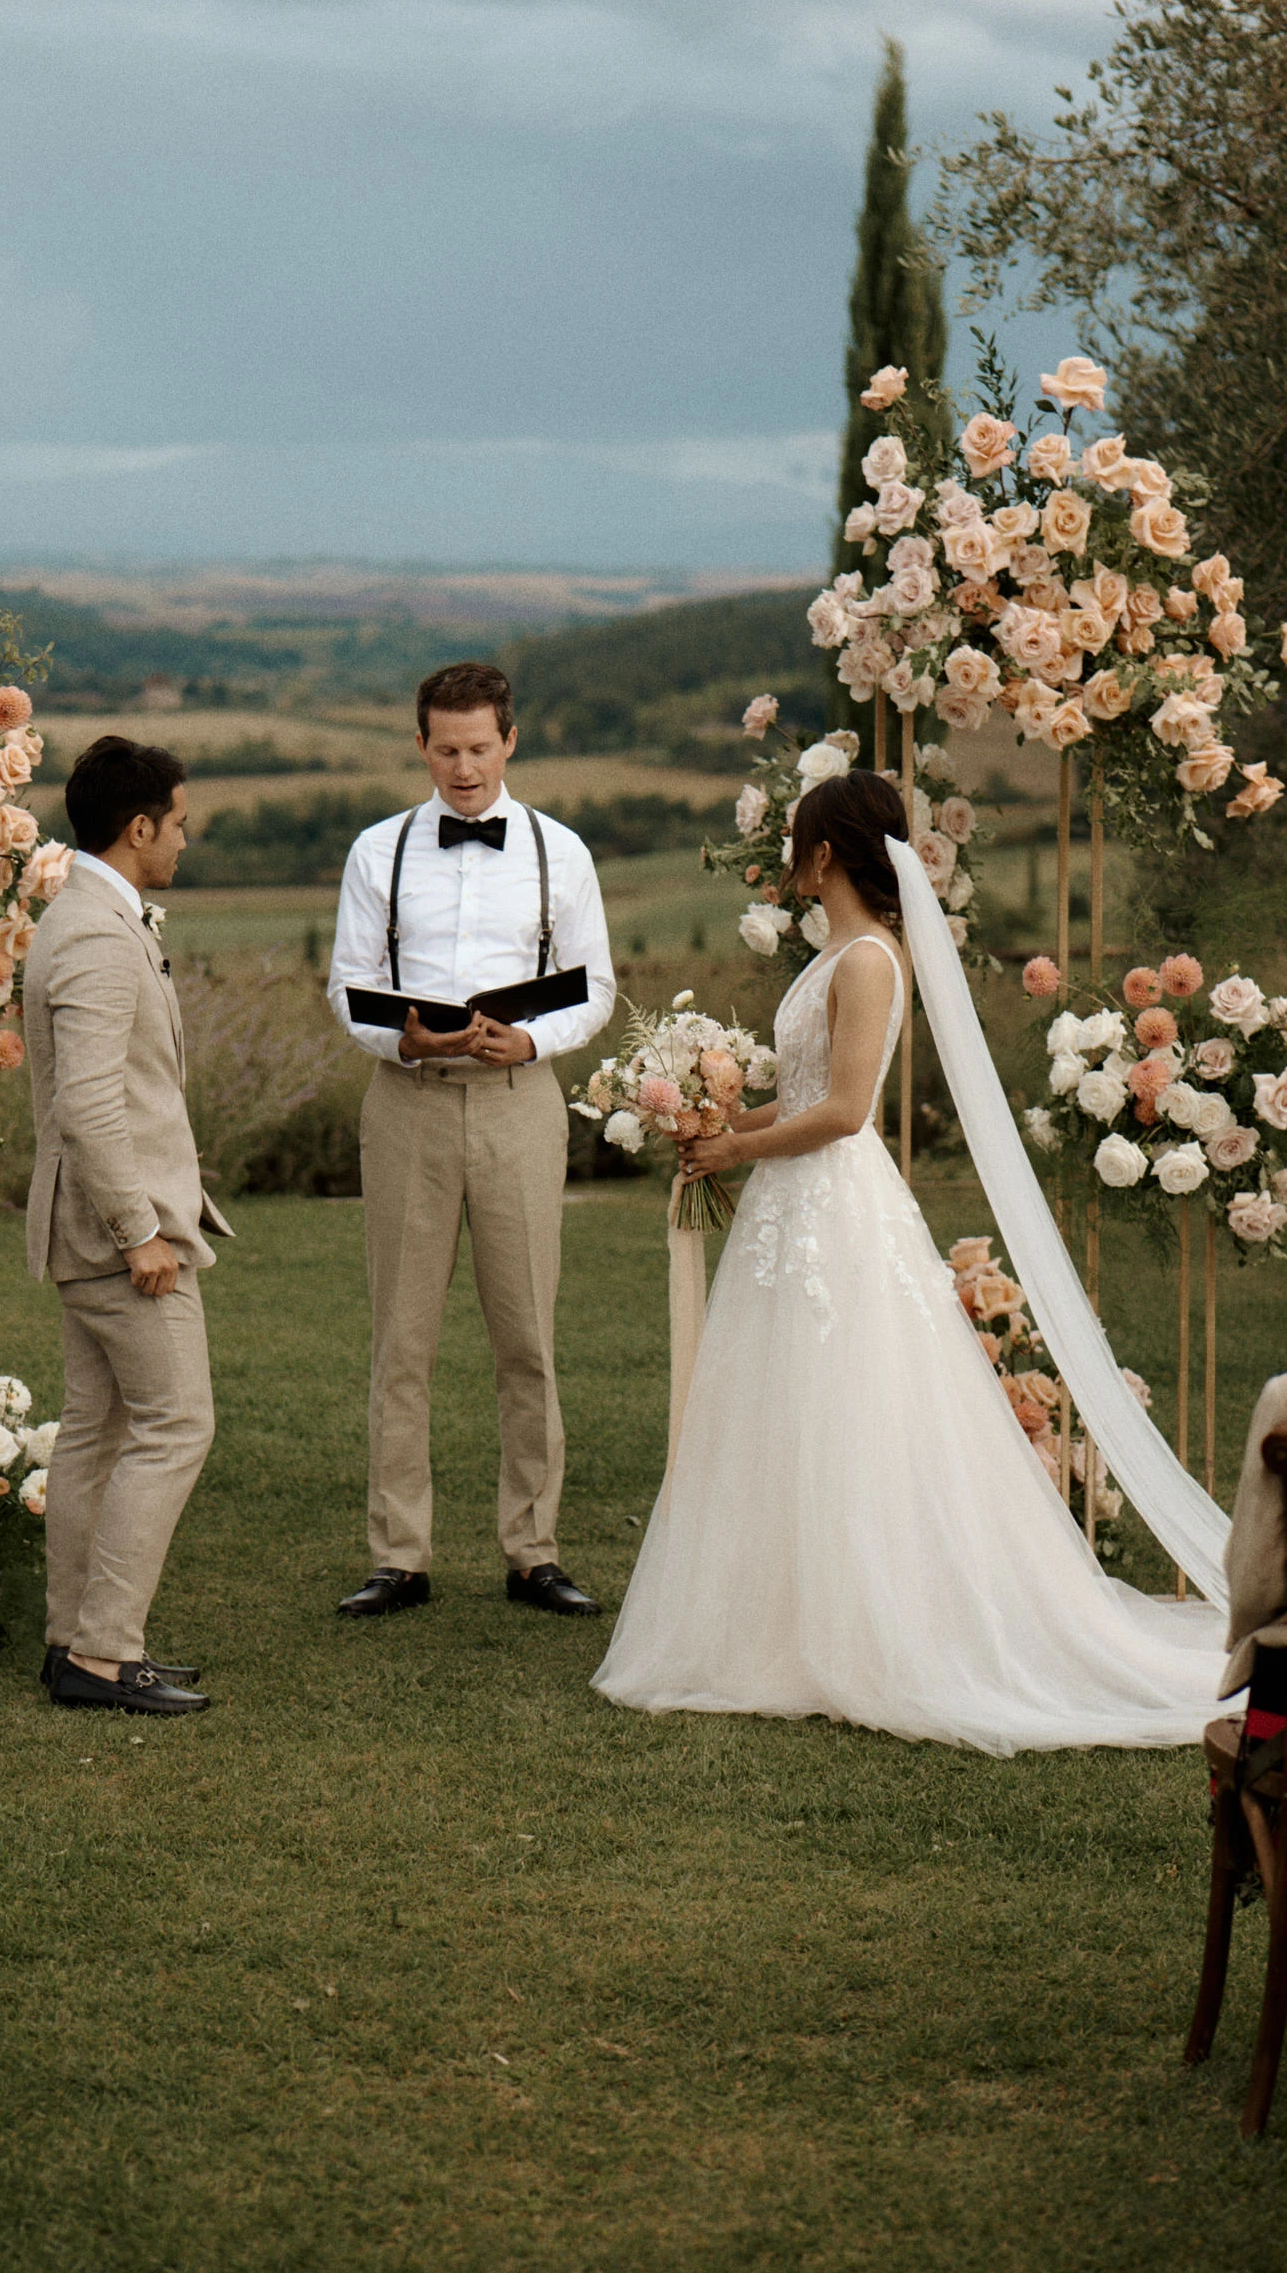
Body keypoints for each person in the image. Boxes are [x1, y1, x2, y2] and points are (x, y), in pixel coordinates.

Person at [594, 769, 1227, 1753]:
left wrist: (736, 1150)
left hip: (832, 1208)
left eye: (797, 850)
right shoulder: (838, 953)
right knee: (785, 1406)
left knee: (845, 1402)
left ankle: (865, 1627)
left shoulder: (867, 962)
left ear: (824, 853)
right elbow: (805, 1091)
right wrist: (721, 1121)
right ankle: (786, 1618)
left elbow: (845, 1114)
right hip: (792, 1203)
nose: (787, 868)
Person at [327, 661, 616, 1619]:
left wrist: (530, 1037)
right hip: (407, 1103)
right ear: (421, 745)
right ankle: (397, 1556)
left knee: (527, 1337)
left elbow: (596, 988)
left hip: (520, 1103)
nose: (462, 767)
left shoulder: (560, 851)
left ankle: (533, 1550)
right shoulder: (378, 851)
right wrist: (397, 1036)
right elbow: (348, 985)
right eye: (445, 749)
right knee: (399, 1341)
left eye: (479, 748)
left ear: (510, 743)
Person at [25, 735, 231, 1717]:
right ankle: (105, 1652)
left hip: (91, 1231)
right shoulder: (100, 936)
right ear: (138, 827)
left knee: (96, 1432)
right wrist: (138, 1230)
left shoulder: (80, 915)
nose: (185, 841)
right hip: (117, 1239)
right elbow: (90, 1107)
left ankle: (74, 1642)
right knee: (176, 1424)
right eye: (179, 823)